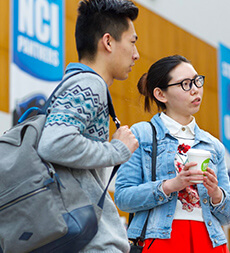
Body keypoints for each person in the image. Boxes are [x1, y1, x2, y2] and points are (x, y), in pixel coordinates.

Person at [37, 0, 140, 252]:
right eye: (133, 42)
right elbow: (54, 143)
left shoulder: (79, 83)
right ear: (108, 42)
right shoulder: (88, 85)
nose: (136, 54)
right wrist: (117, 150)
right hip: (89, 243)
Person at [114, 55, 230, 253]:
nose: (196, 89)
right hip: (162, 239)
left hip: (210, 241)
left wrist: (216, 193)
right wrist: (171, 185)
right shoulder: (142, 134)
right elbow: (123, 198)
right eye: (186, 84)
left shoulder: (214, 145)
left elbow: (229, 215)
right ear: (161, 94)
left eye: (197, 81)